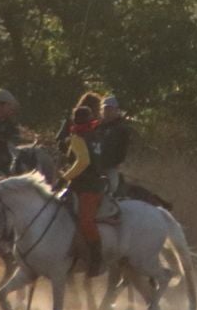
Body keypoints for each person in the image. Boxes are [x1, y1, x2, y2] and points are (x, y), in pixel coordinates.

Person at [57, 104, 108, 277]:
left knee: (86, 221)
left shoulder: (78, 137)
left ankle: (96, 258)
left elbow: (83, 162)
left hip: (87, 187)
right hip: (93, 183)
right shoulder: (96, 136)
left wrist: (65, 177)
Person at [95, 95, 138, 197]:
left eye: (110, 109)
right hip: (93, 168)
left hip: (110, 168)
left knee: (111, 189)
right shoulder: (96, 127)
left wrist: (112, 163)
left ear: (116, 110)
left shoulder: (121, 129)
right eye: (105, 109)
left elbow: (122, 152)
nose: (107, 112)